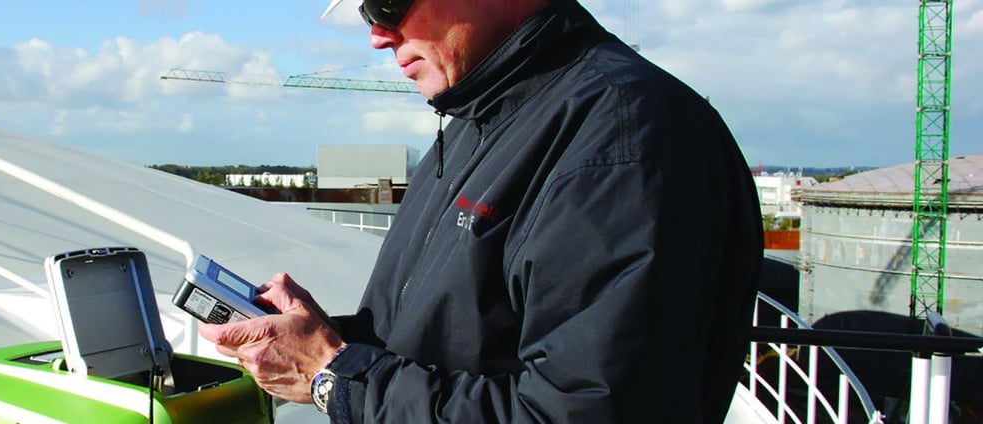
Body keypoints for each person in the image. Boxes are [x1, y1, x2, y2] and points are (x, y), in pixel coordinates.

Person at [199, 0, 762, 422]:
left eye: (389, 2)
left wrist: (332, 374)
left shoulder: (621, 138)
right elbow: (455, 339)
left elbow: (579, 412)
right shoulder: (480, 119)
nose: (377, 33)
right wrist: (320, 338)